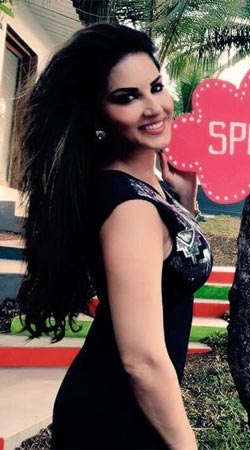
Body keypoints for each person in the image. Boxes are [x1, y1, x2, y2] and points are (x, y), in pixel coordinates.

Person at [15, 23, 212, 450]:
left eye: (155, 87)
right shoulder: (130, 208)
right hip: (116, 419)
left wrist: (184, 201)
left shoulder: (139, 184)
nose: (154, 107)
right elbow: (142, 360)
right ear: (97, 114)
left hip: (125, 407)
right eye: (127, 97)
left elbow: (166, 263)